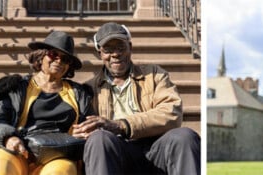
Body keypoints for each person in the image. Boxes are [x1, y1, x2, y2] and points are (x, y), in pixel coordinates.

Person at [73, 22, 200, 175]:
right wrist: (79, 132)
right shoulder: (88, 89)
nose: (115, 54)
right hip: (116, 153)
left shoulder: (154, 75)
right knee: (98, 139)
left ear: (130, 48)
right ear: (100, 53)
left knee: (184, 136)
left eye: (121, 48)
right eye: (108, 49)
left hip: (155, 148)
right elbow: (80, 127)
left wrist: (122, 125)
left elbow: (171, 113)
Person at [0, 31, 96, 175]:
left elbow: (90, 126)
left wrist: (84, 132)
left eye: (65, 59)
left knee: (62, 171)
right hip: (17, 150)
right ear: (41, 56)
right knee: (1, 161)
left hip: (58, 155)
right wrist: (8, 137)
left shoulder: (78, 94)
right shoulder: (17, 88)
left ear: (69, 66)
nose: (59, 61)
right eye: (54, 54)